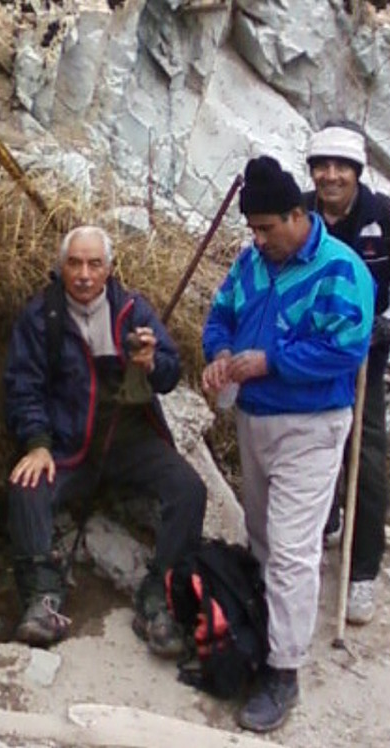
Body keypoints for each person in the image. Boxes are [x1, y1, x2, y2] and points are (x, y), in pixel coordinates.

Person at [201, 156, 374, 733]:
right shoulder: (251, 262)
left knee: (295, 550)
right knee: (262, 535)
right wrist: (220, 355)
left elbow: (346, 351)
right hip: (253, 420)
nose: (258, 239)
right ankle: (264, 630)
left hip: (313, 424)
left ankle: (284, 670)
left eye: (268, 228)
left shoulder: (342, 271)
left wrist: (269, 361)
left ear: (298, 215)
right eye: (252, 229)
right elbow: (220, 315)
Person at [4, 224, 207, 655]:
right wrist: (37, 442)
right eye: (74, 263)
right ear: (61, 267)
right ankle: (42, 598)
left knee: (189, 489)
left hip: (131, 442)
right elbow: (24, 384)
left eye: (94, 264)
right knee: (26, 488)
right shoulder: (41, 316)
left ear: (109, 269)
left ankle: (160, 595)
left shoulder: (133, 310)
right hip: (67, 446)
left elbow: (171, 373)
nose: (83, 274)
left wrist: (153, 363)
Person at [305, 121, 390, 625]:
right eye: (322, 166)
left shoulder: (382, 216)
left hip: (370, 348)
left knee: (367, 448)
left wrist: (384, 324)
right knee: (315, 436)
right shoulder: (300, 212)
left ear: (357, 172)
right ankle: (324, 522)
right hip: (314, 346)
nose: (331, 176)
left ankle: (362, 571)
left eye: (341, 167)